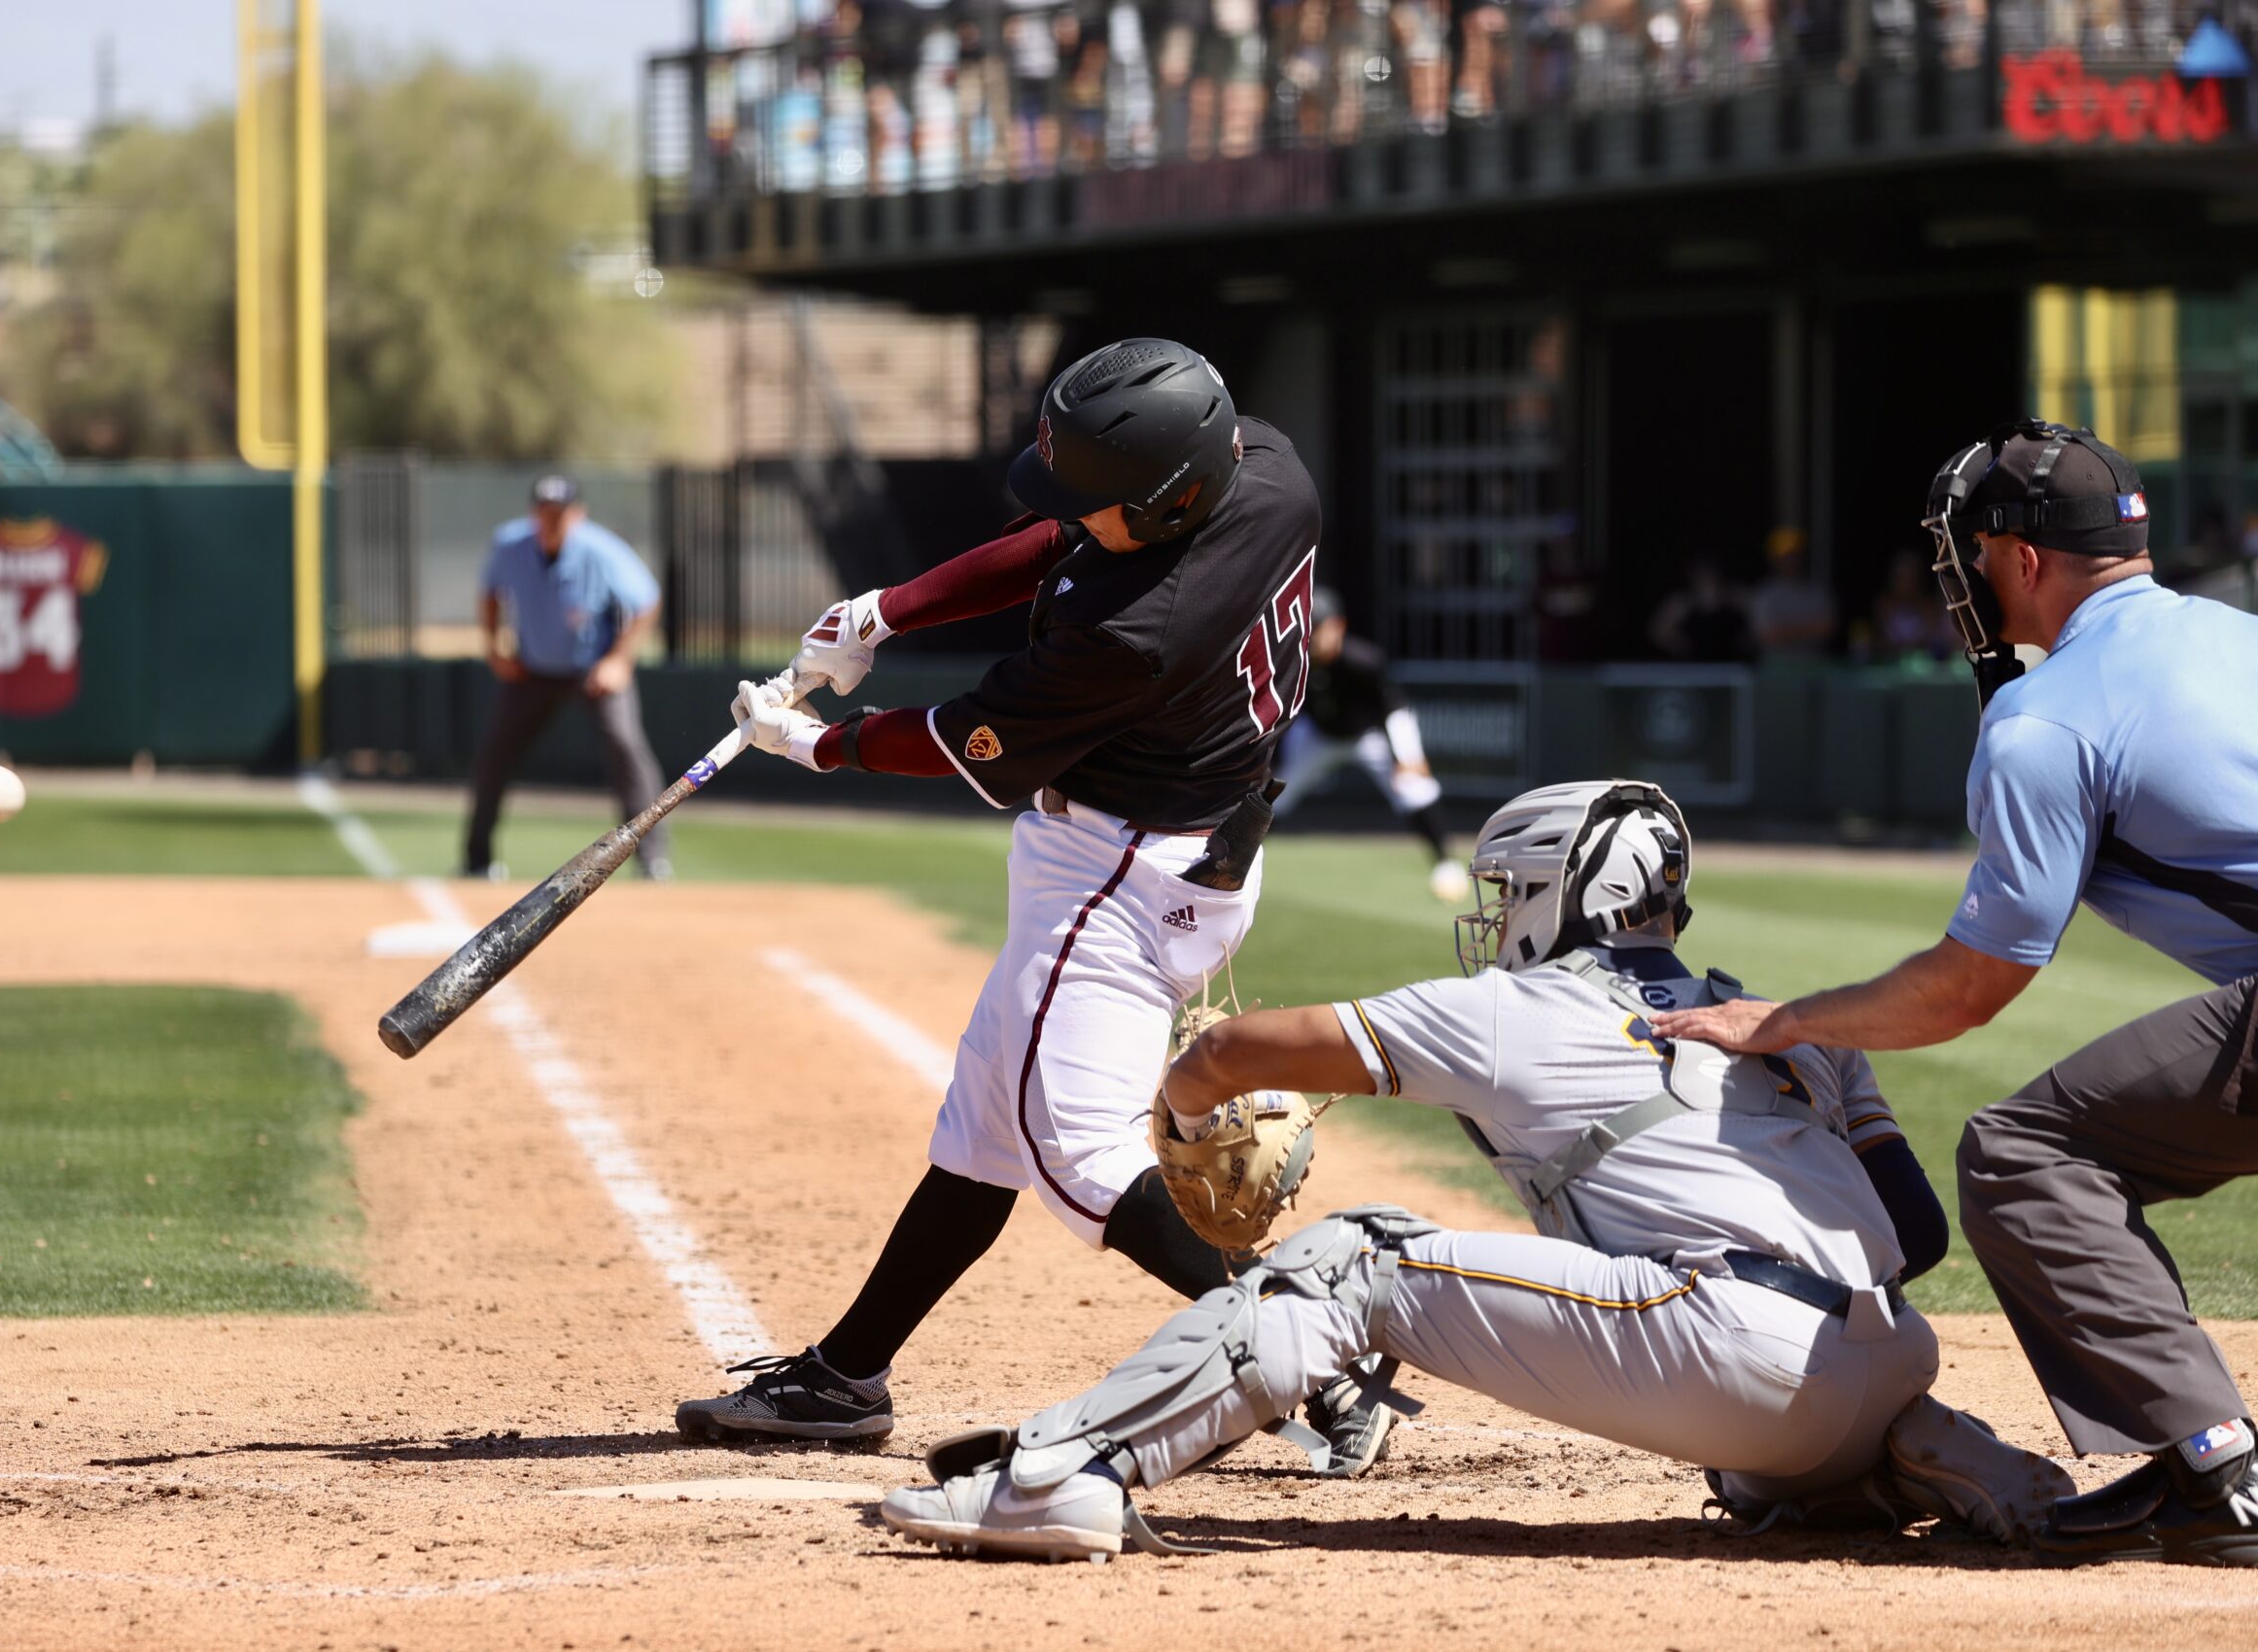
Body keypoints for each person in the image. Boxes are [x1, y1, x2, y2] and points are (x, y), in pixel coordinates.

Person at [878, 780, 2068, 1562]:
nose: (1501, 917)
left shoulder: (1518, 1008)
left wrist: (1181, 1112)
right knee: (1754, 1431)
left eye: (1515, 892)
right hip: (1881, 1354)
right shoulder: (1781, 1017)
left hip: (1734, 1359)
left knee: (1353, 1256)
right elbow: (1915, 1239)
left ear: (1572, 892)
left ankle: (1065, 1475)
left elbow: (1234, 1048)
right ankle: (1896, 1455)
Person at [675, 338, 1393, 1475]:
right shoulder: (1265, 468)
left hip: (1118, 875)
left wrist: (820, 744)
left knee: (1071, 1155)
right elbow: (1064, 540)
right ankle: (846, 1375)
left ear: (1166, 500)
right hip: (1183, 846)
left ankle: (1320, 1361)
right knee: (982, 1129)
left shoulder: (1133, 638)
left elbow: (968, 739)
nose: (1074, 512)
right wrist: (885, 611)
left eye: (1100, 498)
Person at [1652, 419, 2258, 1566]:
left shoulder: (2047, 715)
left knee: (2026, 1155)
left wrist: (1781, 1022)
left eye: (1973, 553)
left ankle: (2212, 1466)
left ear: (2021, 561)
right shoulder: (2233, 633)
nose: (1964, 578)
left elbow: (1972, 988)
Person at [464, 475, 670, 882]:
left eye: (560, 513)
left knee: (627, 746)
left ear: (577, 514)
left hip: (592, 669)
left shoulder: (600, 549)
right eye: (544, 512)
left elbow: (646, 602)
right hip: (532, 669)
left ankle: (653, 859)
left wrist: (618, 660)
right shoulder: (510, 544)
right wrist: (494, 647)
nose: (552, 520)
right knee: (494, 754)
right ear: (533, 513)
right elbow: (490, 593)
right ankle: (477, 860)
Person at [1269, 587, 1469, 901]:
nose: (1315, 636)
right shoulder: (1296, 662)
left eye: (1321, 627)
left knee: (1414, 787)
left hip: (1367, 737)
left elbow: (1395, 707)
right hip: (1317, 736)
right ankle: (1241, 863)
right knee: (1273, 795)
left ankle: (1445, 861)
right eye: (1310, 628)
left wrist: (1408, 756)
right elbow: (1283, 711)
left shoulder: (1363, 660)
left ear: (1339, 626)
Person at [1750, 527, 1836, 657]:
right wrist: (1810, 629)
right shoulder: (1765, 594)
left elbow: (1827, 629)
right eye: (1786, 557)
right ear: (1775, 560)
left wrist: (1787, 630)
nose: (1792, 561)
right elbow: (1768, 636)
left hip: (1814, 662)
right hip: (1777, 665)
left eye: (1795, 555)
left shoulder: (1817, 591)